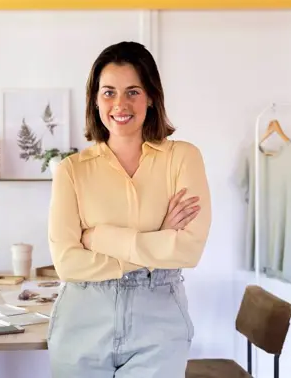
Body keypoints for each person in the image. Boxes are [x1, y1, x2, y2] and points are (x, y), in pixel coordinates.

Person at [47, 41, 212, 377]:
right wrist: (157, 241)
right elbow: (66, 263)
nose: (120, 104)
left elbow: (188, 250)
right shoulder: (71, 170)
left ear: (151, 96)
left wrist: (98, 238)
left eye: (132, 91)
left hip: (159, 321)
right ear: (95, 100)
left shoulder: (183, 158)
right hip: (82, 319)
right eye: (108, 92)